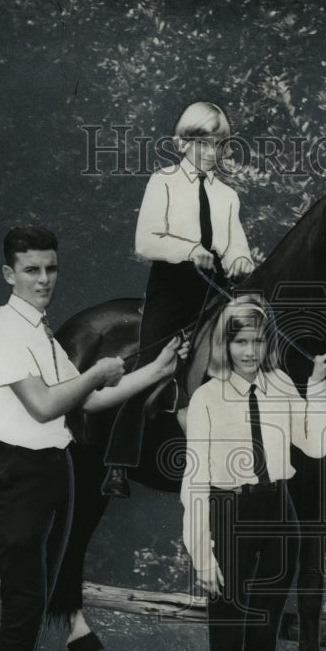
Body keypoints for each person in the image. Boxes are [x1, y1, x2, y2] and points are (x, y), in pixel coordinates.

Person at [0, 225, 187, 651]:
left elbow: (90, 402)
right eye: (32, 270)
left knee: (37, 607)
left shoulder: (41, 334)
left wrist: (154, 371)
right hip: (16, 476)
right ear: (9, 274)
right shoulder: (1, 331)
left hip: (56, 470)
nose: (44, 280)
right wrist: (94, 371)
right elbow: (43, 406)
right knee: (20, 614)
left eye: (51, 269)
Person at [180, 295, 326, 651]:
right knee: (228, 633)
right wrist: (201, 553)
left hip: (278, 512)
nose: (249, 351)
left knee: (265, 633)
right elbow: (195, 481)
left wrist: (316, 388)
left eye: (257, 339)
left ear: (267, 341)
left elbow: (315, 443)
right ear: (226, 344)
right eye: (240, 340)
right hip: (229, 512)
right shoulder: (206, 397)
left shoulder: (281, 384)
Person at [102, 101, 254, 498]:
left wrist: (239, 260)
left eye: (219, 144)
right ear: (183, 143)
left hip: (214, 288)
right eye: (203, 143)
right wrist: (189, 250)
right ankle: (119, 461)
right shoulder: (163, 182)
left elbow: (238, 245)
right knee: (149, 363)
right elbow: (146, 239)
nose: (211, 153)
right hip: (174, 287)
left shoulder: (228, 196)